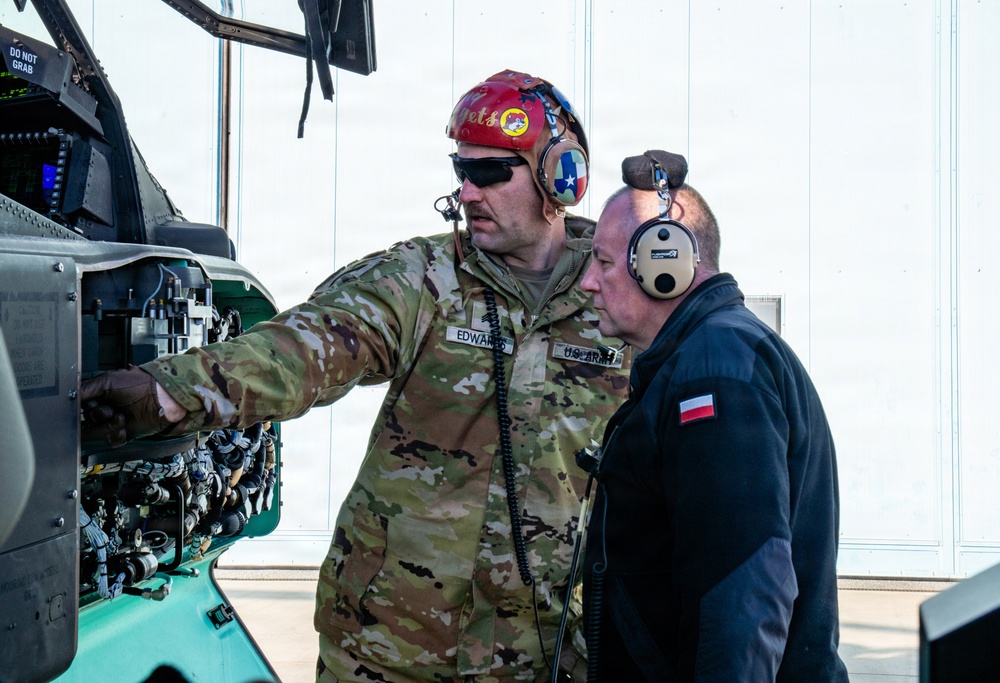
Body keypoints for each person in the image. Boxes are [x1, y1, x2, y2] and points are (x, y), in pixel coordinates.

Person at [79, 70, 631, 683]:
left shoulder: (617, 301)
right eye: (461, 172)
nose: (468, 193)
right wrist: (170, 391)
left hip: (544, 655)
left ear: (560, 177)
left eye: (489, 174)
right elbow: (305, 346)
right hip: (390, 650)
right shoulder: (421, 279)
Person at [578, 150, 849, 681]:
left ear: (666, 264)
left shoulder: (714, 372)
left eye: (603, 262)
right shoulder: (706, 357)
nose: (588, 282)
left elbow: (742, 588)